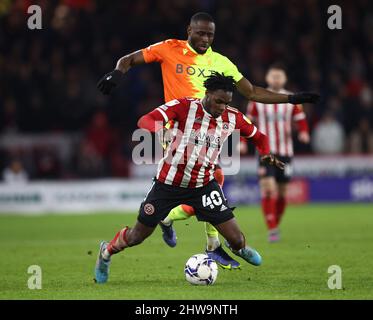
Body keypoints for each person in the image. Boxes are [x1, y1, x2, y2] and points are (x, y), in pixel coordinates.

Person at [97, 12, 319, 269]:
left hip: (213, 127)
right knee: (209, 176)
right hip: (178, 128)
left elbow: (253, 92)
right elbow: (129, 59)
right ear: (189, 30)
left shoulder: (221, 63)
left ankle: (179, 224)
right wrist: (117, 73)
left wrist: (291, 99)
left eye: (210, 35)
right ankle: (202, 239)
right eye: (200, 33)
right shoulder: (169, 48)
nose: (205, 39)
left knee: (212, 178)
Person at [94, 72, 285, 283]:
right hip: (167, 184)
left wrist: (266, 153)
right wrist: (160, 130)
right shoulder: (184, 106)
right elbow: (145, 120)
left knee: (238, 239)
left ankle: (235, 247)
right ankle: (106, 252)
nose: (222, 107)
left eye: (227, 102)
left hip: (204, 185)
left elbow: (260, 137)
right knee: (137, 236)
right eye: (219, 101)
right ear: (208, 93)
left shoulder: (233, 117)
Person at [241, 65, 310, 242]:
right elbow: (247, 122)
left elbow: (300, 120)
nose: (276, 79)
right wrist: (242, 142)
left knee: (282, 192)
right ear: (268, 78)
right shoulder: (257, 99)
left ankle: (275, 224)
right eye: (274, 76)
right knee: (269, 189)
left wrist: (303, 132)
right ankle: (272, 229)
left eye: (280, 76)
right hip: (265, 151)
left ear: (284, 79)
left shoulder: (293, 100)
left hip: (286, 151)